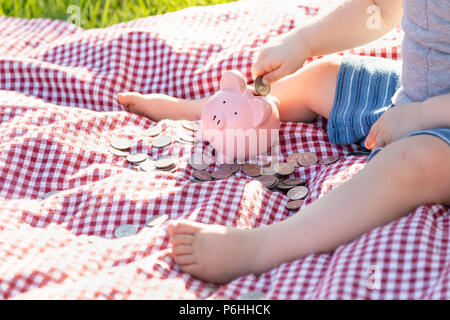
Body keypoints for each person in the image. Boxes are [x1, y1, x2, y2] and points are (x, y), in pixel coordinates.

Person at [118, 0, 450, 284]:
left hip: (435, 125)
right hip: (414, 97)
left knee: (412, 162)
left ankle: (263, 247)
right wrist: (303, 42)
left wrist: (418, 118)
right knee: (323, 75)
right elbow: (378, 8)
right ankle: (208, 109)